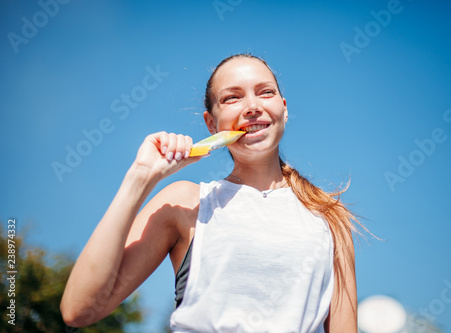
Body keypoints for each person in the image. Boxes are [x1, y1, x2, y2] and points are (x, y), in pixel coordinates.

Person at [60, 54, 359, 332]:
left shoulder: (329, 217)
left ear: (283, 107)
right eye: (232, 97)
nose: (253, 106)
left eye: (265, 92)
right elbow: (79, 310)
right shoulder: (186, 203)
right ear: (211, 124)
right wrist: (140, 178)